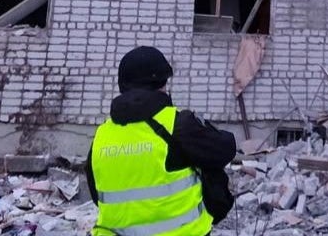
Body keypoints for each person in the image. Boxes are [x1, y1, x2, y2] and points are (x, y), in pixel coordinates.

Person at [86, 46, 236, 236]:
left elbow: (96, 194)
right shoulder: (177, 124)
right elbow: (225, 149)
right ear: (162, 83)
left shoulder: (102, 135)